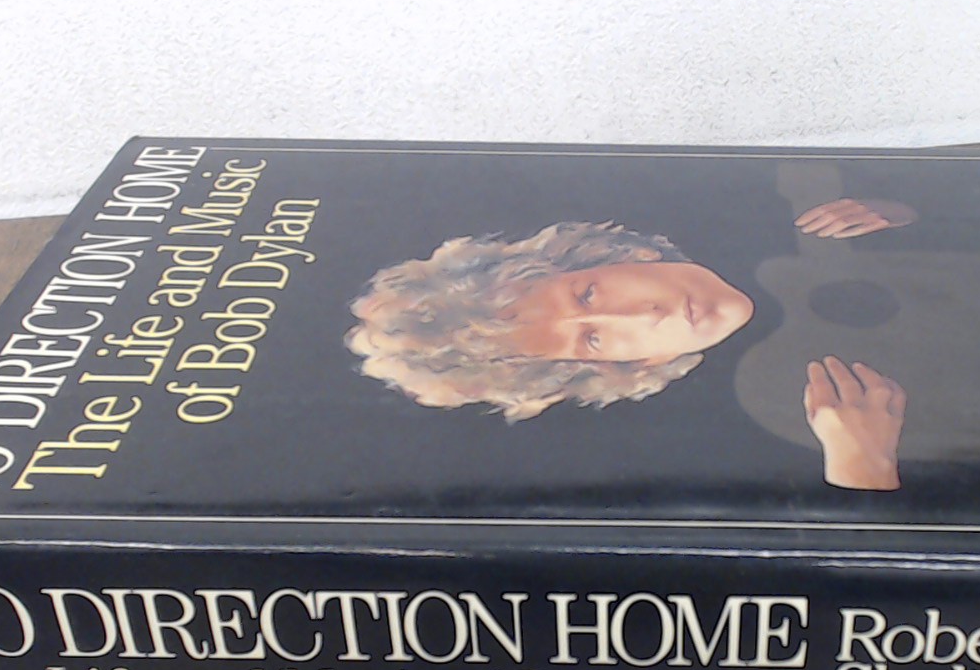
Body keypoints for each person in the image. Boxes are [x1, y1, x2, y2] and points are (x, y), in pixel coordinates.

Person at [344, 199, 916, 490]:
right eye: (593, 338)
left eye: (588, 293)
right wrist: (861, 466)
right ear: (638, 365)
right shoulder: (749, 444)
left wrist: (905, 212)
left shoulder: (786, 211)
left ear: (617, 257)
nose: (643, 313)